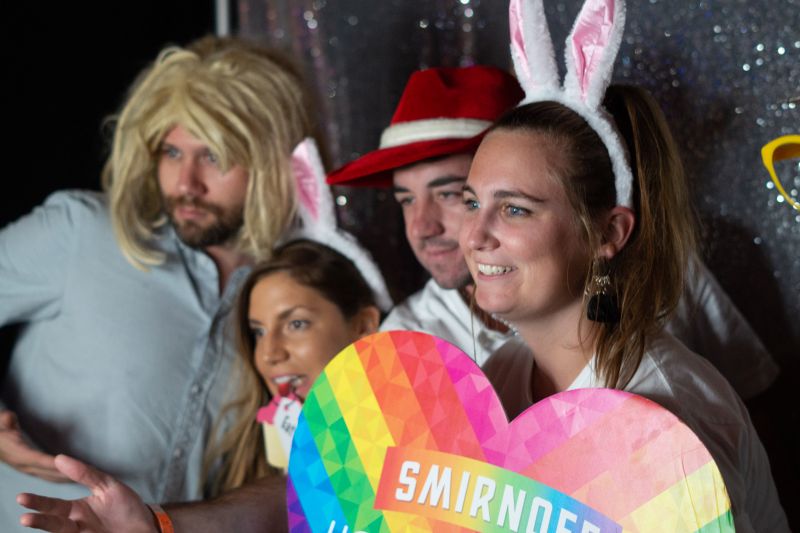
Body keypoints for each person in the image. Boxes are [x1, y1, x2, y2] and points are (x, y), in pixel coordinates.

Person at [456, 0, 787, 523]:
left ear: (608, 233)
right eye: (472, 202)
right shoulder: (502, 376)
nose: (474, 235)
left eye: (514, 209)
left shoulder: (665, 414)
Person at [1, 35, 316, 530]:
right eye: (172, 151)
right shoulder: (80, 231)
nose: (185, 182)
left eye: (213, 156)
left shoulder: (295, 298)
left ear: (272, 161)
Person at [327, 66, 779, 399]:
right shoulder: (494, 369)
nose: (424, 227)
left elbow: (757, 411)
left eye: (513, 207)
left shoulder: (665, 394)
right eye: (470, 201)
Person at [202, 239, 380, 495]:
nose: (269, 354)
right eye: (259, 332)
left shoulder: (414, 452)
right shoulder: (243, 464)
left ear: (363, 326)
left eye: (296, 324)